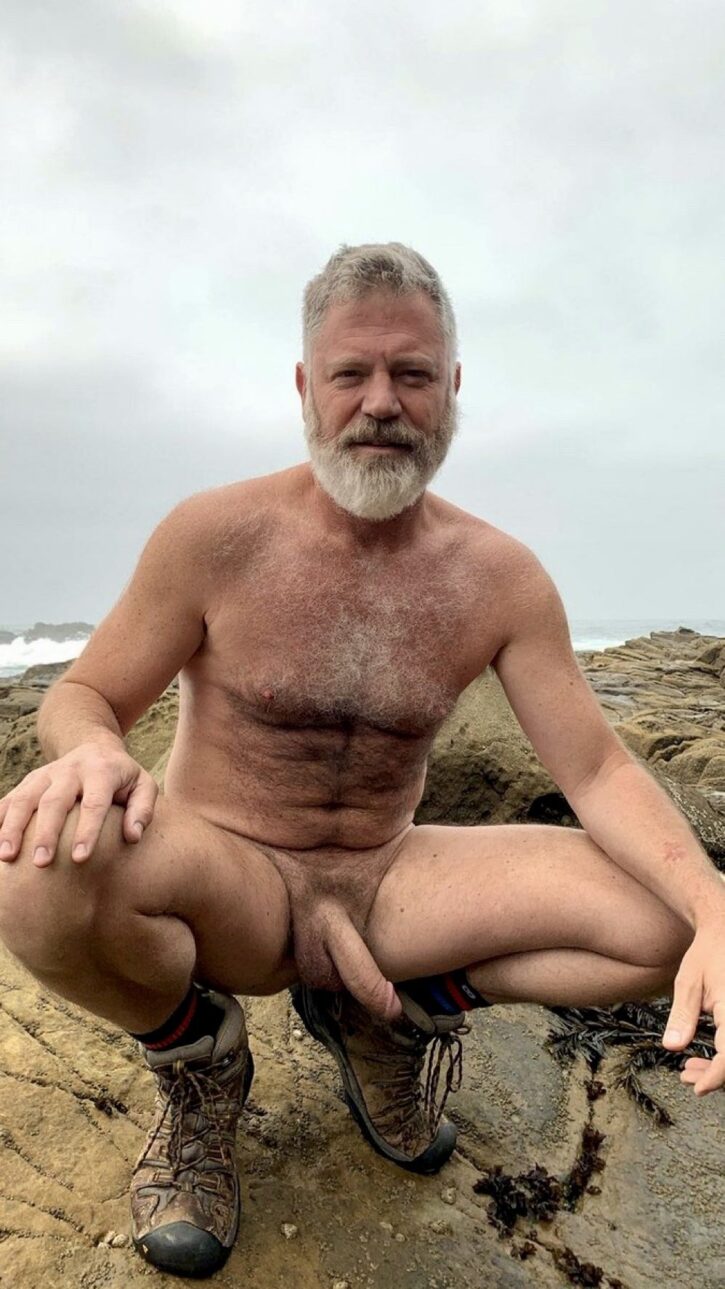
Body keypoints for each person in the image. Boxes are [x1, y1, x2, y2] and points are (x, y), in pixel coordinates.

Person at [0, 243, 722, 1280]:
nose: (381, 402)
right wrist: (92, 753)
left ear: (451, 387)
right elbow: (82, 694)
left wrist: (709, 901)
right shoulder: (214, 535)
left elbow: (598, 772)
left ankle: (392, 1015)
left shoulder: (498, 577)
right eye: (351, 373)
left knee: (666, 920)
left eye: (411, 373)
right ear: (305, 385)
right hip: (232, 878)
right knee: (35, 871)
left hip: (387, 880)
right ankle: (198, 1058)